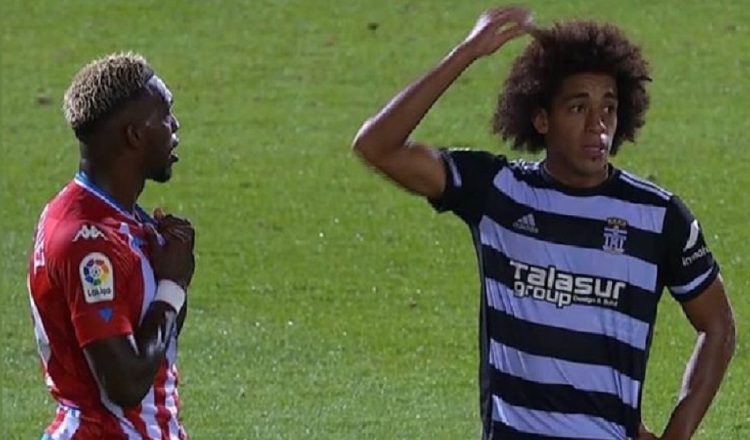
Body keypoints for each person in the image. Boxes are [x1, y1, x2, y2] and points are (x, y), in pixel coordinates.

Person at [352, 6, 736, 440]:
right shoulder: (497, 192)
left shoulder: (659, 217)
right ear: (542, 119)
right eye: (578, 107)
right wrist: (467, 52)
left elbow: (718, 324)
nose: (598, 126)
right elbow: (376, 145)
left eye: (608, 108)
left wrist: (678, 434)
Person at [26, 52, 196, 440]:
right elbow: (123, 384)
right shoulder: (88, 242)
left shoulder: (118, 220)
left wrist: (173, 273)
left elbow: (157, 346)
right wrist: (172, 285)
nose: (175, 126)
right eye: (165, 114)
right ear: (134, 135)